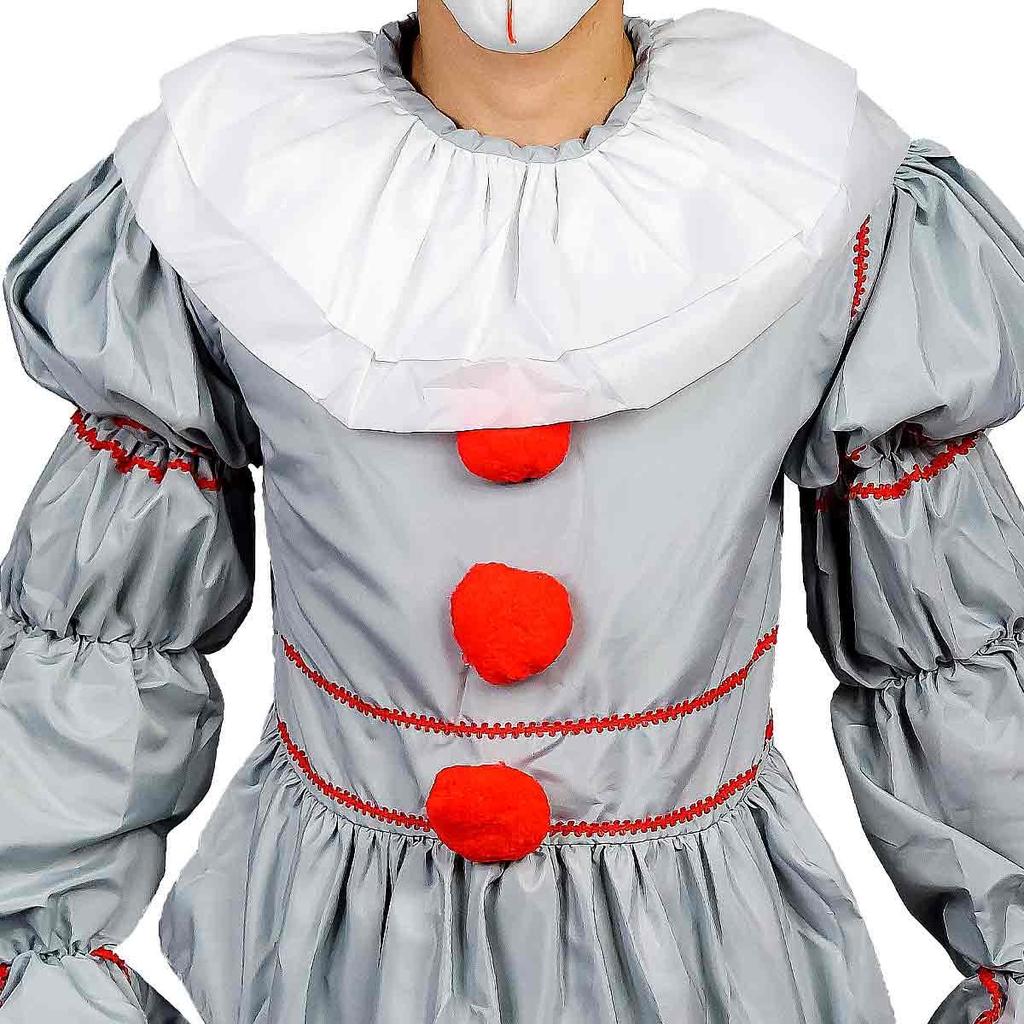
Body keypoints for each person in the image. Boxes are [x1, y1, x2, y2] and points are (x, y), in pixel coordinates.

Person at [1, 1, 1022, 1021]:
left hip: (704, 966)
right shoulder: (236, 185)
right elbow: (96, 650)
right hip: (343, 963)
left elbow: (952, 661)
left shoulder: (806, 187)